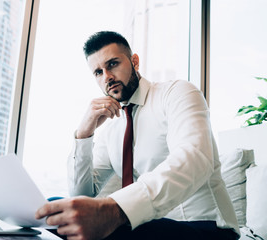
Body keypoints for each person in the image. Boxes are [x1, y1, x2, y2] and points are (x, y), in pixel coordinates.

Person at [35, 31, 239, 240]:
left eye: (112, 64)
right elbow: (83, 194)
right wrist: (84, 133)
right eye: (98, 72)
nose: (107, 77)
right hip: (147, 227)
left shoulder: (177, 93)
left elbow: (194, 159)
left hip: (204, 227)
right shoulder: (112, 129)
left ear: (134, 61)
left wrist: (117, 209)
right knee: (54, 211)